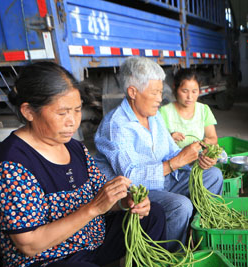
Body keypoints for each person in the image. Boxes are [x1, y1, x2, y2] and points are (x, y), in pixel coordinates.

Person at [0, 62, 167, 267]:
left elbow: (101, 198)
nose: (73, 121)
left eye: (77, 110)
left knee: (155, 215)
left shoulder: (73, 147)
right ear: (29, 111)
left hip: (90, 240)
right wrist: (93, 210)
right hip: (43, 264)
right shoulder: (12, 164)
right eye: (62, 113)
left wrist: (125, 203)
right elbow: (29, 244)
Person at [93, 58, 223, 249]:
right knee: (180, 206)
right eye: (154, 93)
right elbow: (131, 177)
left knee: (213, 175)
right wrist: (176, 162)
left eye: (160, 92)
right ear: (132, 92)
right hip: (135, 193)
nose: (159, 99)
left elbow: (172, 152)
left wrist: (195, 159)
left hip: (164, 182)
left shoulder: (154, 118)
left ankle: (198, 236)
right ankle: (167, 261)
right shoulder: (116, 126)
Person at [159, 68, 218, 148]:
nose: (190, 97)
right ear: (175, 88)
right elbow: (157, 141)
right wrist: (170, 137)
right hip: (174, 159)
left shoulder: (204, 110)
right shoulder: (164, 112)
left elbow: (213, 138)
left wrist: (208, 141)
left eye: (194, 91)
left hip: (198, 157)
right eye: (184, 91)